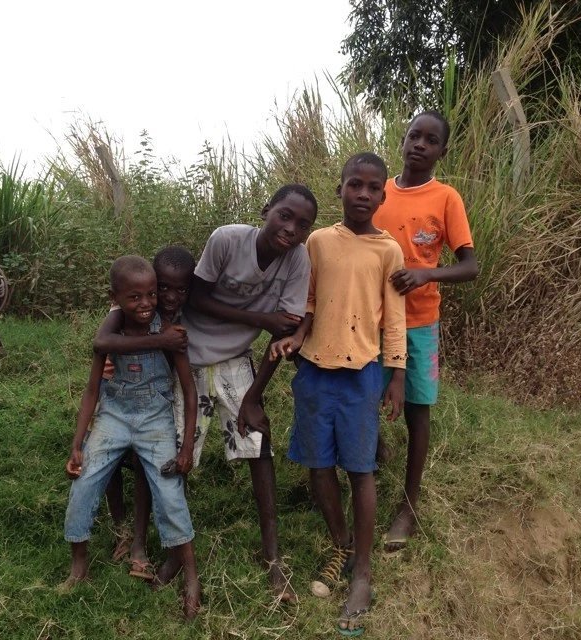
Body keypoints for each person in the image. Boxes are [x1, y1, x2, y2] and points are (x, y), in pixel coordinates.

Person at [272, 152, 406, 636]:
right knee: (318, 464)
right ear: (341, 190)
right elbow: (307, 303)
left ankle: (363, 572)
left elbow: (394, 317)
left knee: (361, 470)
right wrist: (295, 338)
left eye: (373, 187)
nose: (364, 194)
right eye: (355, 185)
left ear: (382, 196)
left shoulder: (389, 251)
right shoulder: (318, 242)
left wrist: (396, 375)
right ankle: (341, 543)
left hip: (362, 374)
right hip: (314, 370)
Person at [170, 184, 318, 602]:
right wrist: (259, 316)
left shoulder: (297, 260)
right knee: (181, 452)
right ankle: (177, 549)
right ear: (266, 209)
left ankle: (272, 557)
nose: (290, 229)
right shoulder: (227, 239)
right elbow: (196, 300)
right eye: (284, 216)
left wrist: (254, 397)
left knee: (258, 445)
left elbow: (283, 333)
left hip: (237, 360)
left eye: (302, 225)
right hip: (190, 356)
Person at [63, 256, 201, 619]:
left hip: (155, 417)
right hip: (114, 414)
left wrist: (186, 447)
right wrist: (78, 442)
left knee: (170, 493)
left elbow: (189, 392)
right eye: (135, 297)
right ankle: (79, 565)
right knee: (85, 480)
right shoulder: (112, 328)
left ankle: (191, 579)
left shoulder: (170, 330)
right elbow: (92, 389)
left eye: (151, 295)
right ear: (116, 298)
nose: (145, 304)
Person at [372, 111, 478, 553]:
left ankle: (408, 506)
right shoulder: (376, 190)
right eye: (414, 135)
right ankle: (374, 457)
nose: (420, 144)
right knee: (364, 398)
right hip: (370, 320)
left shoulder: (446, 198)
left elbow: (470, 266)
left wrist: (425, 274)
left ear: (441, 151)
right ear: (403, 139)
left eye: (430, 140)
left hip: (418, 323)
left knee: (417, 412)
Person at [95, 246, 195, 579]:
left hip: (160, 399)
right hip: (122, 396)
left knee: (146, 464)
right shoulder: (127, 309)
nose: (167, 296)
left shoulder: (177, 317)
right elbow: (102, 343)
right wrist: (158, 342)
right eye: (161, 288)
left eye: (176, 289)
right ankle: (122, 528)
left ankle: (141, 541)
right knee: (108, 462)